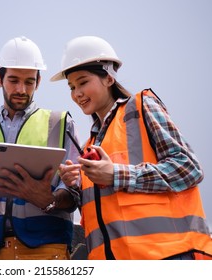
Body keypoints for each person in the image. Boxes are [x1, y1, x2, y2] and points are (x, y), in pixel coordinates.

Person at [52, 35, 212, 260]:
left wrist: (115, 174)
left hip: (167, 256)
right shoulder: (91, 145)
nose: (76, 93)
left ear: (108, 78)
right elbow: (106, 210)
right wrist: (77, 187)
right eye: (72, 86)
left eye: (83, 82)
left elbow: (189, 168)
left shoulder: (141, 107)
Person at [0, 36, 81, 260]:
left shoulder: (60, 123)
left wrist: (49, 199)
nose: (21, 89)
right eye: (13, 80)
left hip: (46, 247)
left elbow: (75, 191)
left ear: (39, 81)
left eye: (29, 82)